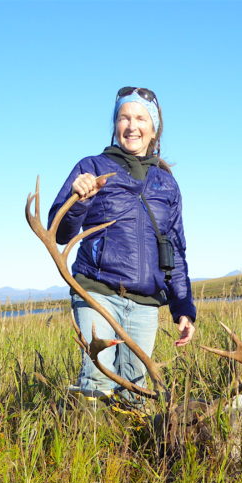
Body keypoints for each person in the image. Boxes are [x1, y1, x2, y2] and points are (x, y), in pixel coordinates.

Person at [48, 86, 196, 407]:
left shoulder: (166, 182)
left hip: (145, 303)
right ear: (115, 125)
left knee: (136, 390)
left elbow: (176, 252)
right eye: (124, 118)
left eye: (141, 118)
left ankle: (130, 452)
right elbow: (59, 232)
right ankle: (89, 451)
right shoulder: (92, 167)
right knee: (96, 383)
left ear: (154, 128)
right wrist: (78, 201)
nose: (132, 126)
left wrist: (183, 309)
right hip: (97, 294)